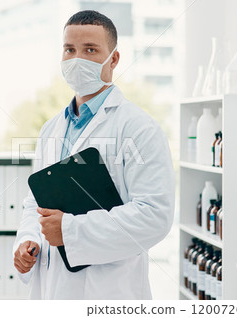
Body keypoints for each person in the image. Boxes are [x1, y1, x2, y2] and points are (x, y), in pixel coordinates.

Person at [12, 10, 175, 300]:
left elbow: (154, 216)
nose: (77, 60)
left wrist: (71, 231)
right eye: (69, 50)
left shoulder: (139, 128)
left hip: (108, 292)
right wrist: (28, 240)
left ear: (113, 59)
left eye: (90, 50)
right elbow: (35, 202)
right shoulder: (51, 129)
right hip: (53, 289)